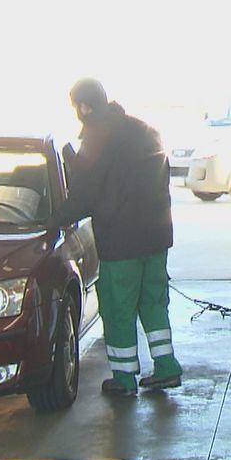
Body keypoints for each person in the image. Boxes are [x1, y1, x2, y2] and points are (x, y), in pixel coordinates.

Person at [56, 77, 182, 395]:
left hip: (121, 243)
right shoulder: (145, 131)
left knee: (118, 307)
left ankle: (124, 378)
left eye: (76, 108)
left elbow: (84, 193)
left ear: (84, 106)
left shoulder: (98, 136)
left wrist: (54, 219)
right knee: (154, 302)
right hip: (156, 240)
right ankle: (167, 366)